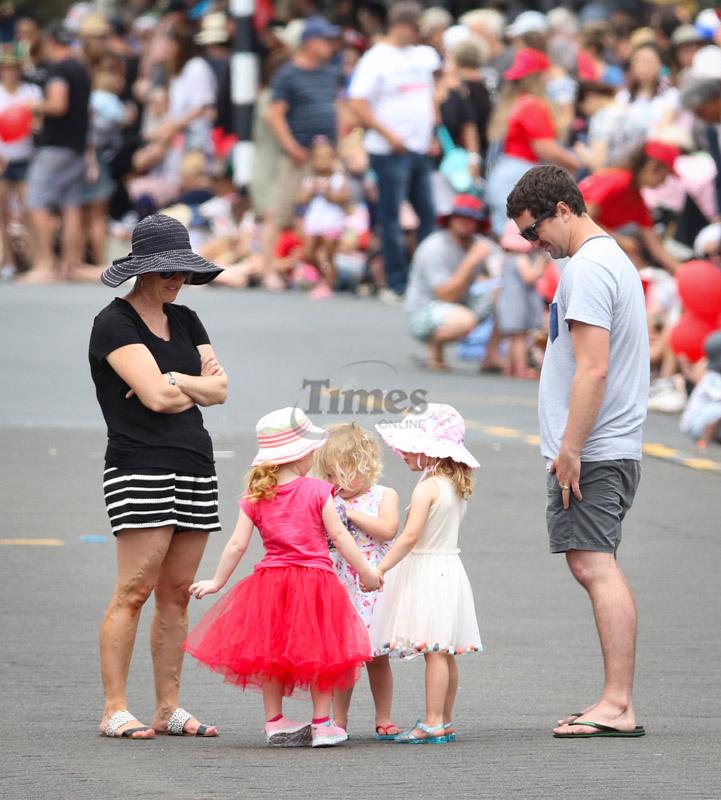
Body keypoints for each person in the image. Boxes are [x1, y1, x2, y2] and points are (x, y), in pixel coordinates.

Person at [506, 166, 649, 739]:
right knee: (591, 562)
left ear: (563, 209)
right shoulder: (606, 260)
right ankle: (615, 701)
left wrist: (571, 448)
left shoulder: (587, 268)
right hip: (609, 441)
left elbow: (593, 366)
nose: (532, 243)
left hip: (597, 444)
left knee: (594, 564)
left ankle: (617, 704)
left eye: (533, 230)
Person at [89, 214, 227, 740]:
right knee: (135, 589)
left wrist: (172, 377)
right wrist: (183, 384)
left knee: (176, 593)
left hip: (194, 462)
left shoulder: (187, 320)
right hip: (139, 463)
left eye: (184, 273)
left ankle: (168, 706)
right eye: (169, 271)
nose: (178, 281)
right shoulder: (114, 323)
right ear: (142, 270)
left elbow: (221, 390)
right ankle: (115, 708)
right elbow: (156, 399)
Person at [183, 408, 383, 748]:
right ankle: (322, 724)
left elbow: (236, 545)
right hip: (316, 583)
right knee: (323, 653)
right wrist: (368, 572)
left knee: (272, 653)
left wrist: (217, 582)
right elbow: (342, 538)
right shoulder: (319, 492)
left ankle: (275, 722)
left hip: (271, 584)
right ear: (302, 454)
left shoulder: (256, 496)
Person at [371, 403, 482, 744]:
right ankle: (444, 719)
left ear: (428, 449)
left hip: (427, 569)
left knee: (434, 649)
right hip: (449, 567)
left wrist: (380, 568)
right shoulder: (454, 484)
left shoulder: (427, 487)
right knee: (443, 650)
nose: (401, 453)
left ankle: (432, 720)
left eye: (408, 447)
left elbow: (409, 536)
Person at [348, 0, 440, 302]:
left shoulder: (422, 56)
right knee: (392, 218)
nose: (419, 34)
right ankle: (396, 282)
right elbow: (358, 102)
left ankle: (425, 280)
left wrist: (433, 131)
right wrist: (389, 135)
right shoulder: (376, 58)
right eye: (416, 28)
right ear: (401, 26)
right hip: (389, 150)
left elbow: (431, 92)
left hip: (418, 147)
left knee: (428, 215)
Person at [313, 423, 400, 739]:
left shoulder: (383, 495)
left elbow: (388, 529)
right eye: (329, 476)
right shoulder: (327, 499)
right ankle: (339, 719)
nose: (334, 483)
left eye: (340, 475)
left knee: (377, 657)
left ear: (364, 468)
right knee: (342, 659)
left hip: (372, 584)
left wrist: (348, 514)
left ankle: (384, 716)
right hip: (340, 585)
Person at [264, 16, 341, 287]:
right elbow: (274, 114)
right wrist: (291, 147)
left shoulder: (329, 72)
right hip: (300, 155)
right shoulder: (288, 74)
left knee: (323, 213)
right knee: (282, 211)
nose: (331, 45)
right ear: (310, 43)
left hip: (325, 156)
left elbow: (336, 109)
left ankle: (316, 273)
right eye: (325, 40)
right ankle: (269, 270)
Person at [486, 47, 580, 236]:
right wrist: (576, 163)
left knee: (509, 236)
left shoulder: (515, 102)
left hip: (507, 173)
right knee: (518, 239)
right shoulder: (532, 105)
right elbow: (545, 148)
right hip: (519, 175)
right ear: (539, 77)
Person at [24, 23, 90, 282]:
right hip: (76, 146)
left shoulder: (59, 69)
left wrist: (34, 106)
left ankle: (44, 264)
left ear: (51, 42)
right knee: (70, 204)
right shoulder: (80, 69)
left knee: (36, 201)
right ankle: (69, 265)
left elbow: (58, 104)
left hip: (54, 147)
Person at [404, 194, 494, 371]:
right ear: (451, 219)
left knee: (502, 294)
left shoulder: (479, 244)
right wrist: (471, 261)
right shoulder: (434, 247)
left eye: (470, 218)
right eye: (459, 216)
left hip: (458, 304)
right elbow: (445, 295)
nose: (464, 221)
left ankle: (492, 356)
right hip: (423, 312)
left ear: (478, 223)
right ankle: (434, 349)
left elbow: (502, 273)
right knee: (465, 319)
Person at [578, 140, 683, 274]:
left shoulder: (637, 199)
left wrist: (682, 273)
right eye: (665, 175)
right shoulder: (620, 180)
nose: (664, 182)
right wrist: (620, 241)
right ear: (653, 167)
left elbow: (656, 248)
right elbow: (582, 217)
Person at [0, 43, 41, 279]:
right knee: (2, 213)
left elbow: (40, 124)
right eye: (5, 67)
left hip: (27, 158)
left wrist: (36, 125)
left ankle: (37, 259)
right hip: (3, 159)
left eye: (14, 67)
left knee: (30, 210)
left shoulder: (32, 92)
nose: (10, 72)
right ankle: (8, 262)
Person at [297, 136, 350, 298]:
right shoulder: (309, 180)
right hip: (314, 222)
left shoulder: (338, 179)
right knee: (308, 254)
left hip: (331, 222)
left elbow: (343, 199)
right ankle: (326, 276)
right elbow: (300, 200)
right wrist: (311, 191)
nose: (322, 162)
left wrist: (328, 192)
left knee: (328, 255)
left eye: (327, 158)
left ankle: (327, 284)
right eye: (318, 158)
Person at [497, 220, 546, 379]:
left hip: (509, 302)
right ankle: (521, 368)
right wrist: (541, 263)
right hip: (518, 303)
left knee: (513, 338)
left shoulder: (507, 258)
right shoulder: (521, 258)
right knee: (520, 337)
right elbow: (529, 277)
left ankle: (510, 366)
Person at [680, 331, 721, 448]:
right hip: (695, 423)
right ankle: (704, 441)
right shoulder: (713, 377)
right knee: (718, 409)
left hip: (707, 421)